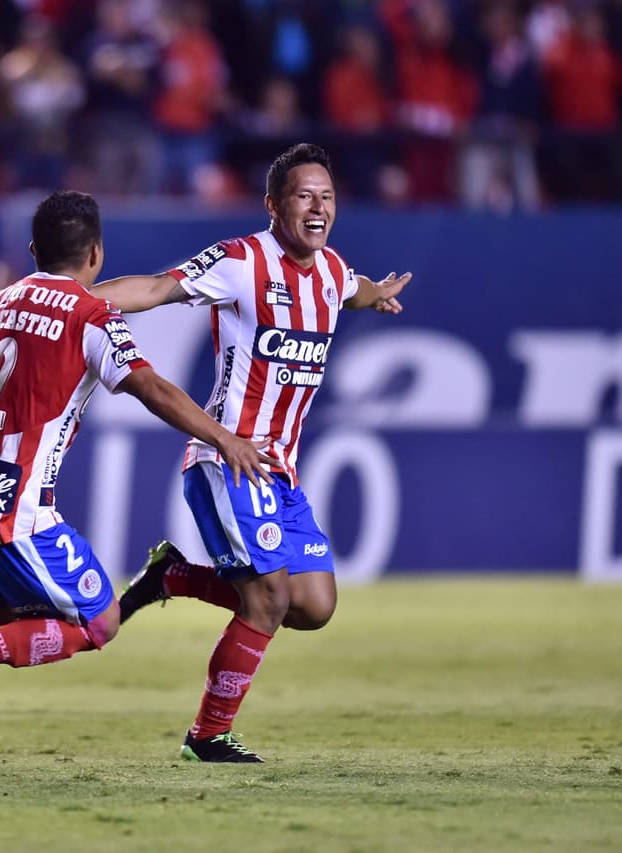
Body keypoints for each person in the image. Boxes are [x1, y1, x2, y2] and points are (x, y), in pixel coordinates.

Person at [0, 190, 272, 785]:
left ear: (34, 250)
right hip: (15, 504)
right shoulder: (90, 316)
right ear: (96, 253)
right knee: (98, 621)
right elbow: (152, 388)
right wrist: (226, 439)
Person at [93, 142, 412, 763]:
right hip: (227, 457)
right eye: (304, 196)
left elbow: (352, 289)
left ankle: (174, 575)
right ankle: (207, 736)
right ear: (273, 205)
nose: (318, 208)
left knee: (314, 606)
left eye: (327, 197)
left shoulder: (331, 271)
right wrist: (79, 300)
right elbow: (158, 288)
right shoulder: (242, 262)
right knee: (268, 599)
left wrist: (375, 295)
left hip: (281, 474)